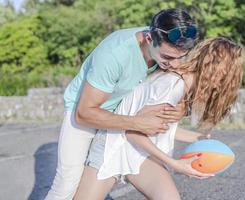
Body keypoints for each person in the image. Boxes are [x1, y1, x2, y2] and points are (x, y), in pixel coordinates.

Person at [45, 9, 198, 200]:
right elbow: (84, 113)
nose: (175, 65)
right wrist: (137, 123)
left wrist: (182, 107)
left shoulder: (165, 45)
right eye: (167, 58)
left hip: (120, 110)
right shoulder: (114, 55)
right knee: (67, 183)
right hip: (87, 111)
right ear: (149, 39)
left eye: (180, 57)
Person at [74, 37, 244, 200]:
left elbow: (161, 128)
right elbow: (133, 132)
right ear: (216, 70)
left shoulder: (180, 83)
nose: (227, 82)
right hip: (113, 145)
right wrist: (174, 163)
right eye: (229, 75)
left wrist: (197, 138)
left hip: (139, 151)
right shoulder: (171, 86)